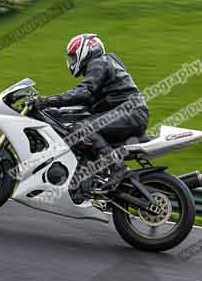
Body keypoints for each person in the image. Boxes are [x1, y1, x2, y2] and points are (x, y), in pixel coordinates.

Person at [30, 33, 149, 193]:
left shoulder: (99, 62)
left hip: (130, 113)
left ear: (86, 50)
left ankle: (117, 168)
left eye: (73, 56)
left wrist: (51, 100)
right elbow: (87, 99)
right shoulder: (103, 64)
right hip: (128, 113)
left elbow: (84, 91)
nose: (71, 61)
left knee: (83, 127)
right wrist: (53, 108)